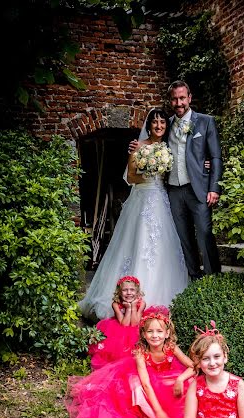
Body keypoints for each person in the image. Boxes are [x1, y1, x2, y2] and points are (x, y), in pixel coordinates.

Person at [79, 108, 188, 322]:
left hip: (161, 199)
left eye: (162, 123)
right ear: (149, 126)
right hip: (142, 198)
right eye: (155, 122)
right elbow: (129, 177)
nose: (159, 126)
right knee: (139, 242)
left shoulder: (167, 147)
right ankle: (130, 303)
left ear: (166, 126)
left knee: (162, 247)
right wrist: (148, 173)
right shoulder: (138, 146)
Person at [66, 307, 194, 418]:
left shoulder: (171, 347)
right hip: (145, 380)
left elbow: (192, 366)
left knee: (189, 381)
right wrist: (158, 410)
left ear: (167, 333)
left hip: (165, 378)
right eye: (150, 331)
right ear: (143, 334)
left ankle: (180, 414)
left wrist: (180, 379)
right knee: (136, 387)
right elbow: (146, 383)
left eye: (159, 331)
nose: (155, 335)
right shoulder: (141, 352)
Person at [129, 81, 222, 280]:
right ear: (170, 100)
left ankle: (213, 279)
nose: (178, 103)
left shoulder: (206, 122)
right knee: (183, 237)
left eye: (182, 98)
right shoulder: (167, 123)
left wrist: (214, 187)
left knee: (204, 232)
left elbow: (215, 157)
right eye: (174, 99)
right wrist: (137, 147)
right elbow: (153, 141)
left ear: (189, 98)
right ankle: (194, 277)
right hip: (172, 190)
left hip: (198, 188)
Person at [88, 275, 146, 370]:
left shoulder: (141, 303)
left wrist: (134, 307)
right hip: (120, 328)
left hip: (136, 328)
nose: (128, 293)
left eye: (132, 290)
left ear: (137, 292)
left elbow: (135, 323)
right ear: (119, 292)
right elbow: (125, 324)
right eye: (125, 290)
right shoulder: (115, 304)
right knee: (117, 347)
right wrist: (128, 308)